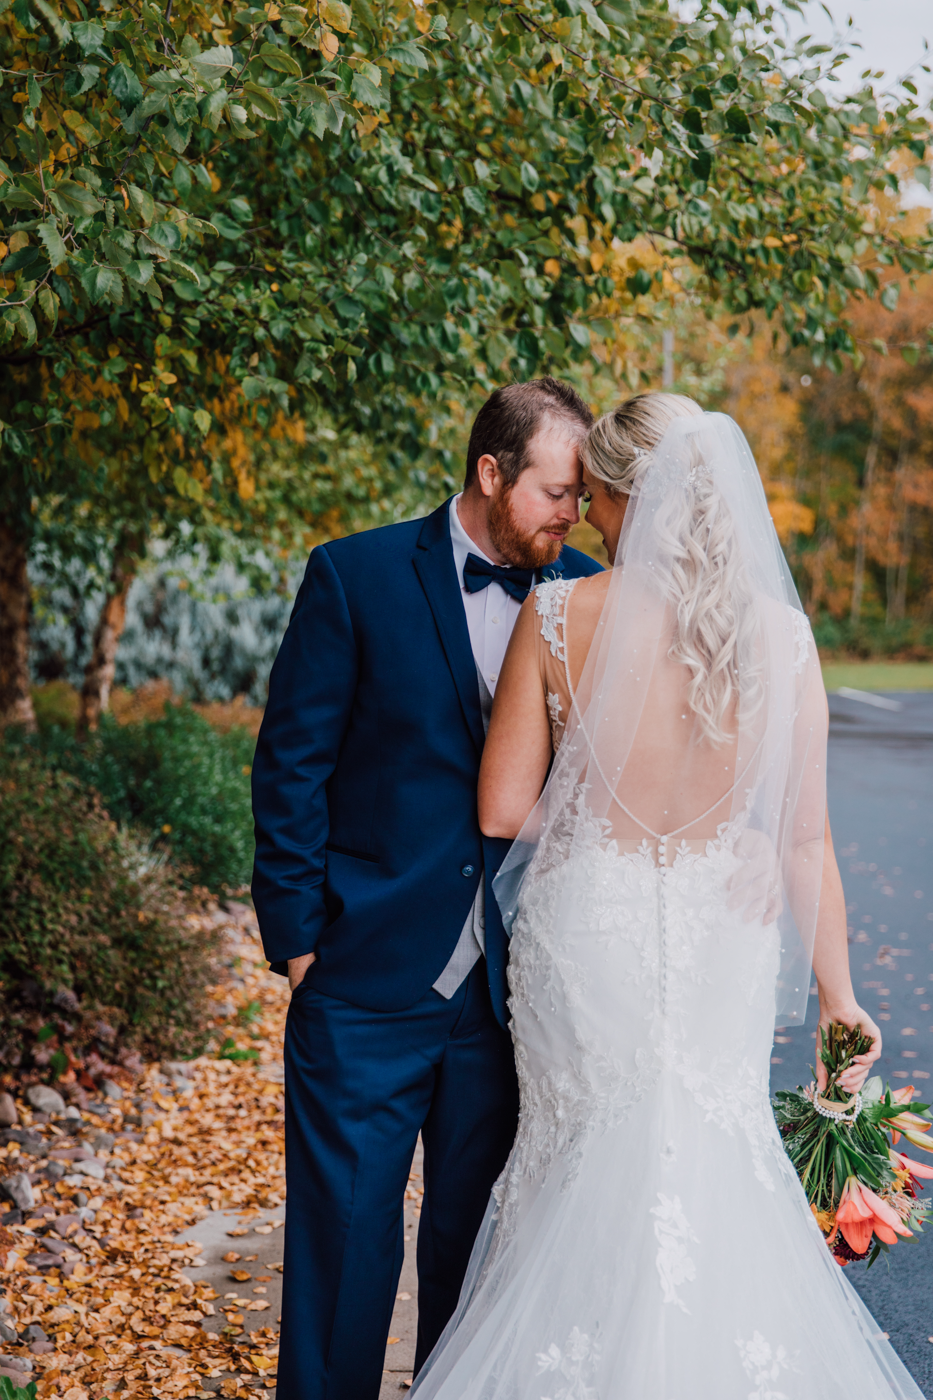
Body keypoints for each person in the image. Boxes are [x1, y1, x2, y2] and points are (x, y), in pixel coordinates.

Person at [409, 394, 924, 1400]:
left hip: (586, 925)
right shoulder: (783, 636)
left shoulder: (560, 613)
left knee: (579, 1157)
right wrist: (839, 996)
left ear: (627, 498)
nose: (591, 521)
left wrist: (609, 823)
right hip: (721, 930)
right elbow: (803, 837)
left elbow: (506, 805)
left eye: (596, 498)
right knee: (710, 1148)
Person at [250, 378, 604, 1400]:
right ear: (490, 473)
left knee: (482, 1257)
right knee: (344, 1250)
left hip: (514, 996)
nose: (571, 514)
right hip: (362, 974)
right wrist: (297, 934)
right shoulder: (354, 576)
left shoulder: (583, 599)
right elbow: (292, 764)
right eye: (555, 490)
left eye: (581, 496)